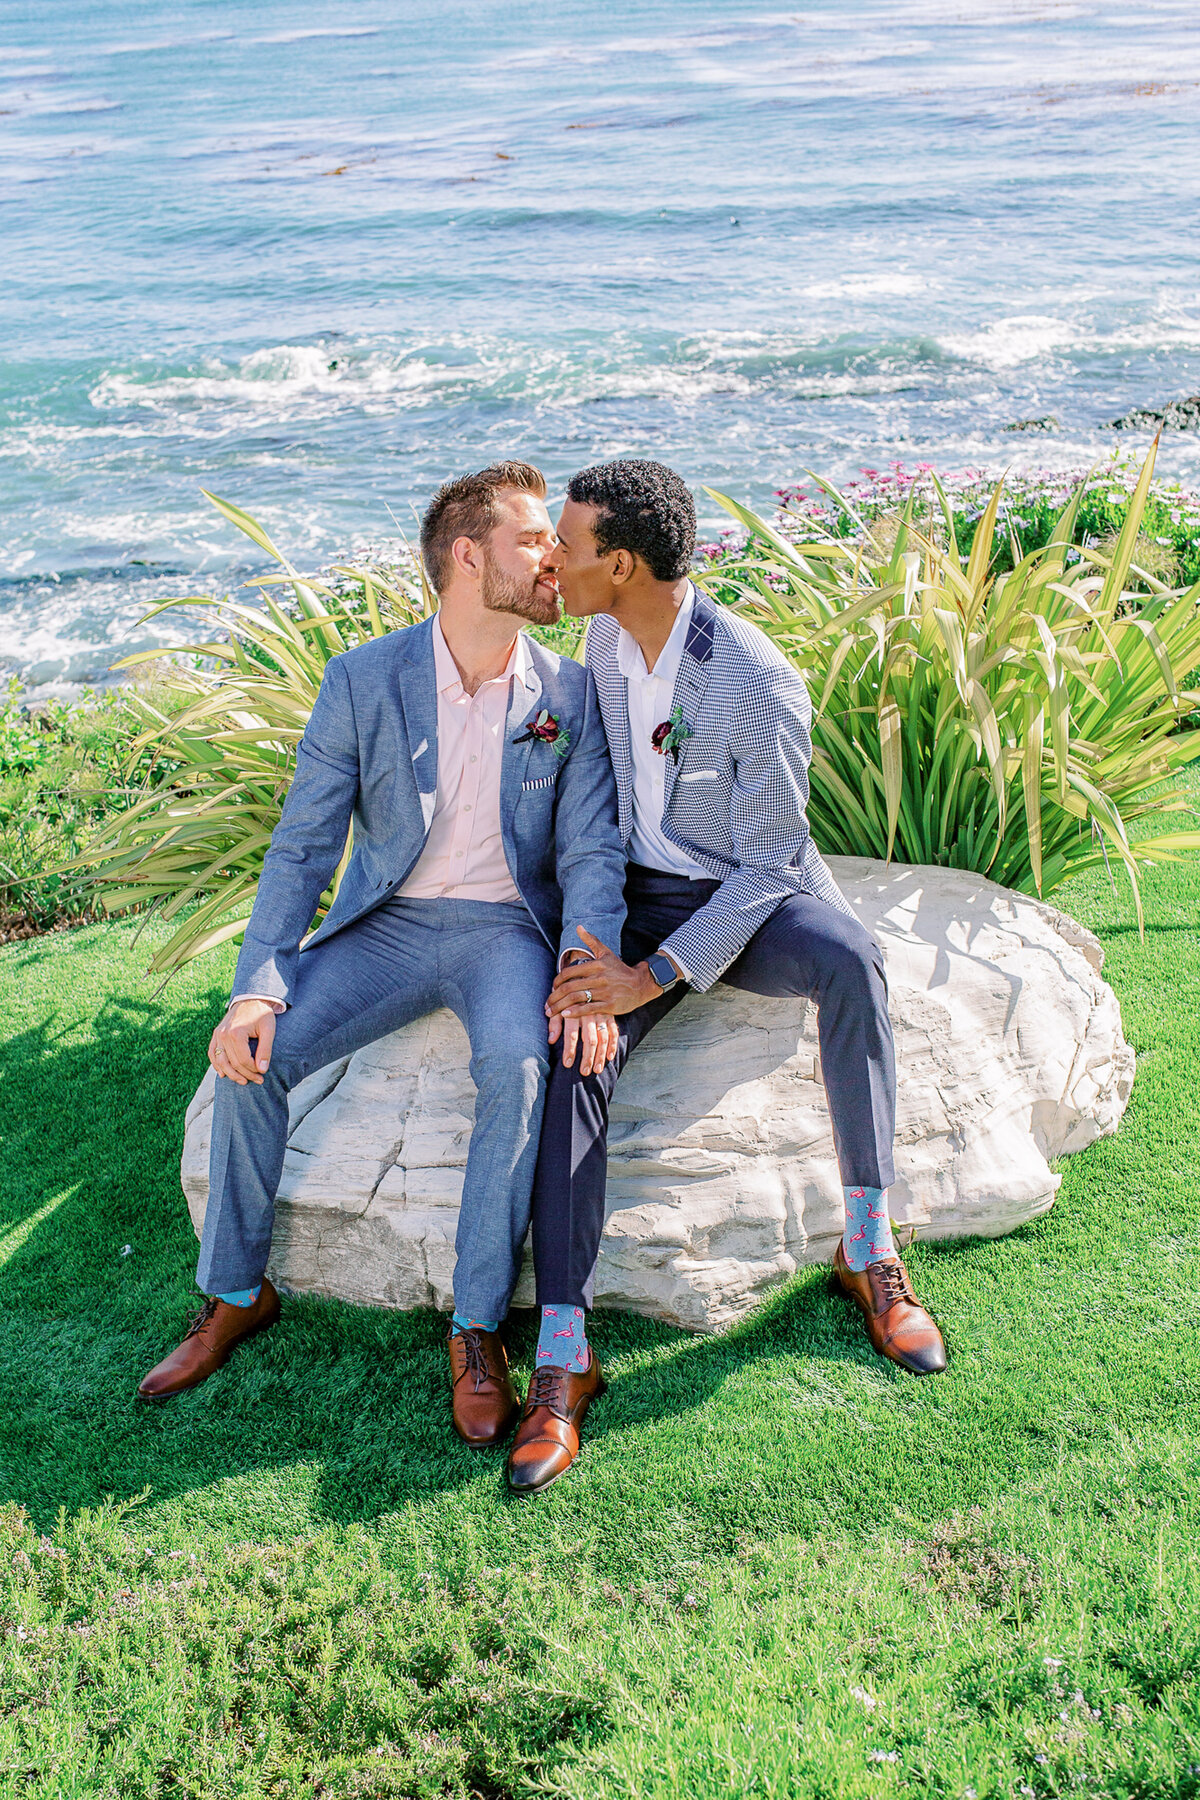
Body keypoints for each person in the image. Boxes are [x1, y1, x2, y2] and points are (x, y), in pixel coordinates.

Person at [138, 460, 626, 1451]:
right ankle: (234, 1291)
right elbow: (304, 846)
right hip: (390, 926)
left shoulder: (569, 694)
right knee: (250, 1059)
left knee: (520, 1070)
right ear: (467, 555)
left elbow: (590, 854)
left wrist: (587, 978)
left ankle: (476, 1326)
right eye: (534, 540)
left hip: (504, 935)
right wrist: (254, 990)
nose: (555, 559)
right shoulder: (363, 679)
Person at [506, 459, 945, 1497]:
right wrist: (597, 956)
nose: (552, 562)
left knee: (852, 962)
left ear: (619, 563)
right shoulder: (605, 639)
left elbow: (764, 867)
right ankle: (565, 1351)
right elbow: (601, 815)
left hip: (749, 902)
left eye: (566, 547)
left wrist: (653, 977)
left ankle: (869, 1251)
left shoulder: (755, 681)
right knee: (575, 1037)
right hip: (642, 898)